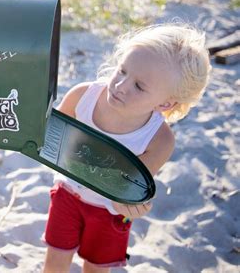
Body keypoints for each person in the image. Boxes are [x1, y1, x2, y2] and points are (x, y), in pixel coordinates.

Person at [43, 23, 211, 273]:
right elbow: (52, 139)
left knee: (97, 268)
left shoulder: (159, 140)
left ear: (166, 103)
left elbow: (130, 186)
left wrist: (132, 204)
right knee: (55, 261)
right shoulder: (83, 97)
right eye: (122, 71)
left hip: (108, 213)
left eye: (139, 87)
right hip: (68, 194)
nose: (121, 86)